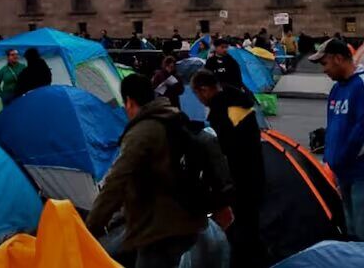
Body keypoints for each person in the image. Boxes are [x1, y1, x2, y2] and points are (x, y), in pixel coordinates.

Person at [87, 74, 210, 268]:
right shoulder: (172, 117)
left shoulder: (142, 131)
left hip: (160, 227)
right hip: (187, 218)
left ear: (129, 101)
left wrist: (90, 226)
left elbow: (116, 182)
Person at [309, 38, 364, 244]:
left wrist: (343, 159)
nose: (324, 70)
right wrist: (331, 160)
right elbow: (334, 127)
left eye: (325, 63)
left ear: (338, 58)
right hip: (342, 172)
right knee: (351, 231)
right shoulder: (336, 89)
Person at [190, 68, 267, 267]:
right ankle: (257, 258)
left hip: (240, 177)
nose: (199, 99)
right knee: (251, 224)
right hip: (254, 171)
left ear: (205, 89)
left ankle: (246, 261)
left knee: (240, 227)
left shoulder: (221, 109)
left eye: (197, 94)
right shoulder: (236, 101)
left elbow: (225, 147)